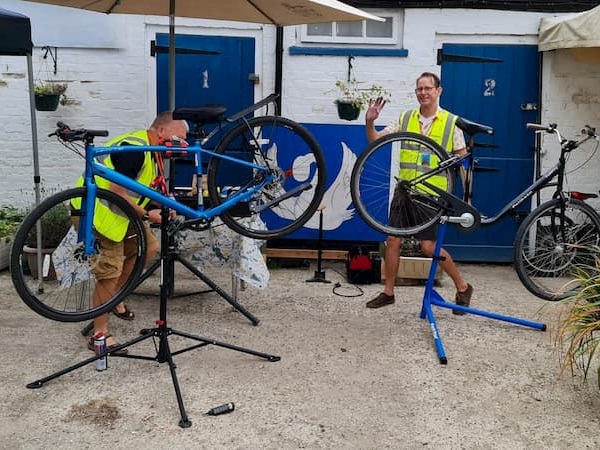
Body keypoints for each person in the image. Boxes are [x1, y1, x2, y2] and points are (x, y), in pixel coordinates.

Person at [78, 112, 189, 353]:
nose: (182, 145)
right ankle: (99, 336)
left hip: (122, 215)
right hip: (97, 215)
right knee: (109, 272)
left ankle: (114, 298)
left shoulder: (151, 151)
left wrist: (162, 205)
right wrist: (149, 215)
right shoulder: (136, 149)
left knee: (150, 248)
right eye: (179, 138)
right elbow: (117, 191)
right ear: (161, 132)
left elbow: (136, 189)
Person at [364, 72, 473, 313]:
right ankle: (388, 293)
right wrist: (370, 121)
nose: (423, 92)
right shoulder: (406, 118)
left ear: (438, 91)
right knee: (392, 241)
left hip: (431, 195)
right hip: (404, 190)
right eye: (419, 89)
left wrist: (467, 197)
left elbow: (463, 162)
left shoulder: (450, 123)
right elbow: (375, 140)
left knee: (428, 247)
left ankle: (463, 286)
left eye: (428, 88)